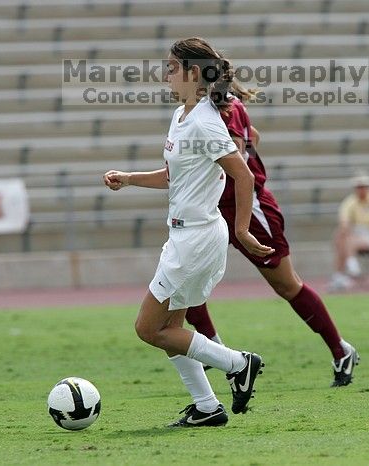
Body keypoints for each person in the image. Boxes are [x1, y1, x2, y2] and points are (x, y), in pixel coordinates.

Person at [103, 37, 273, 428]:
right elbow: (173, 176)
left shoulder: (204, 122)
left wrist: (243, 230)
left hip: (197, 238)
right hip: (184, 236)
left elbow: (243, 174)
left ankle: (239, 363)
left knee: (147, 329)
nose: (165, 74)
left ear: (193, 73)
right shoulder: (183, 115)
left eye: (171, 67)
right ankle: (206, 406)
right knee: (171, 329)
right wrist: (129, 178)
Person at [184, 80, 360, 388]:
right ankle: (220, 355)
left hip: (249, 209)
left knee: (286, 285)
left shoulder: (228, 108)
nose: (168, 76)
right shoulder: (198, 111)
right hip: (211, 207)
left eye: (175, 68)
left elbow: (238, 160)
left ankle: (340, 350)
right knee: (185, 276)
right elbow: (253, 137)